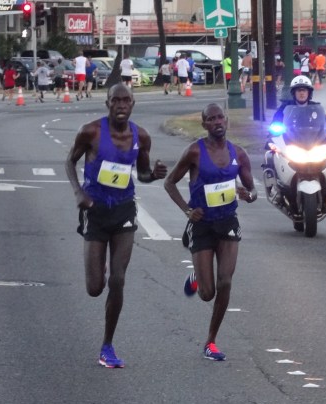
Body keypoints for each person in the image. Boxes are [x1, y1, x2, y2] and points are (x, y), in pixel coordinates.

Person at [64, 84, 168, 368]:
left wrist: (154, 175)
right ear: (107, 103)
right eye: (115, 101)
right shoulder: (91, 132)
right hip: (95, 211)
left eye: (126, 101)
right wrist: (78, 192)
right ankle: (99, 264)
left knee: (118, 279)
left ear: (133, 104)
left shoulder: (141, 137)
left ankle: (107, 345)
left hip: (123, 211)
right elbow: (70, 162)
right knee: (95, 288)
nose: (121, 105)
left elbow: (143, 174)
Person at [163, 103, 257, 362]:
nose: (217, 122)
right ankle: (197, 277)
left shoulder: (239, 153)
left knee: (225, 282)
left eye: (220, 118)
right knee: (208, 293)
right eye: (211, 119)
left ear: (226, 121)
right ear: (204, 124)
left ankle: (211, 341)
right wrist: (186, 210)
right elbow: (169, 182)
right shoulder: (194, 151)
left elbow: (253, 189)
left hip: (227, 222)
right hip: (202, 225)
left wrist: (249, 195)